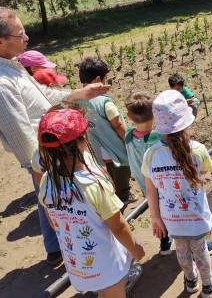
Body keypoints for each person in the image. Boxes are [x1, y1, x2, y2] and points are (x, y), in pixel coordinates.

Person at [0, 6, 110, 266]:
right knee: (70, 207)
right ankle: (87, 259)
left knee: (54, 203)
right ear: (1, 41)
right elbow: (24, 142)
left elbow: (41, 97)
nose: (26, 38)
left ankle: (60, 249)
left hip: (53, 153)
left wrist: (80, 94)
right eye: (21, 34)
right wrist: (46, 173)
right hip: (49, 157)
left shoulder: (8, 64)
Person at [37, 105, 145, 297]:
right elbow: (118, 226)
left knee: (102, 290)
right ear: (83, 140)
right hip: (106, 264)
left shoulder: (47, 179)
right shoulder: (93, 184)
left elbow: (54, 223)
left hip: (77, 263)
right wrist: (134, 248)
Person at [142, 90, 212, 297]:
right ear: (187, 122)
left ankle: (190, 281)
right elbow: (204, 171)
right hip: (195, 215)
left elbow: (150, 190)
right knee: (200, 250)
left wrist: (155, 218)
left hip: (171, 218)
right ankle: (208, 285)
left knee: (181, 250)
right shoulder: (197, 150)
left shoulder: (151, 154)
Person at [125, 91, 212, 257]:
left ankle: (165, 244)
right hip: (167, 185)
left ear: (129, 117)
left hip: (148, 184)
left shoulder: (128, 136)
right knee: (178, 209)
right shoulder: (157, 140)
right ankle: (197, 247)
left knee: (160, 214)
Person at [78, 57, 137, 205]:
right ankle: (123, 195)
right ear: (98, 79)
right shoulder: (104, 102)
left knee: (107, 172)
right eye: (105, 79)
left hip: (95, 150)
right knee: (122, 171)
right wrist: (129, 141)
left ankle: (111, 191)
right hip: (114, 148)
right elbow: (118, 125)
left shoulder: (76, 100)